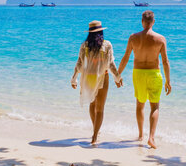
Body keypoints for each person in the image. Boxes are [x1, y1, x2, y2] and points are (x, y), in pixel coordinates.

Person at [118, 10, 171, 148]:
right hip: (154, 73)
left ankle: (141, 135)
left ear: (142, 22)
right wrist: (168, 81)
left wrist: (118, 74)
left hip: (138, 73)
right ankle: (151, 138)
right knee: (154, 106)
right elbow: (165, 62)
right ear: (153, 22)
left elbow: (125, 57)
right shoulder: (160, 39)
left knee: (140, 105)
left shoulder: (133, 37)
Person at [71, 20, 122, 144]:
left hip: (88, 78)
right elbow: (110, 64)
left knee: (92, 105)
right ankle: (95, 135)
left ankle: (96, 131)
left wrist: (74, 78)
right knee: (100, 109)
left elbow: (79, 63)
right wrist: (117, 77)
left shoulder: (84, 45)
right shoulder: (107, 45)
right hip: (102, 78)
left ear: (89, 33)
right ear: (101, 32)